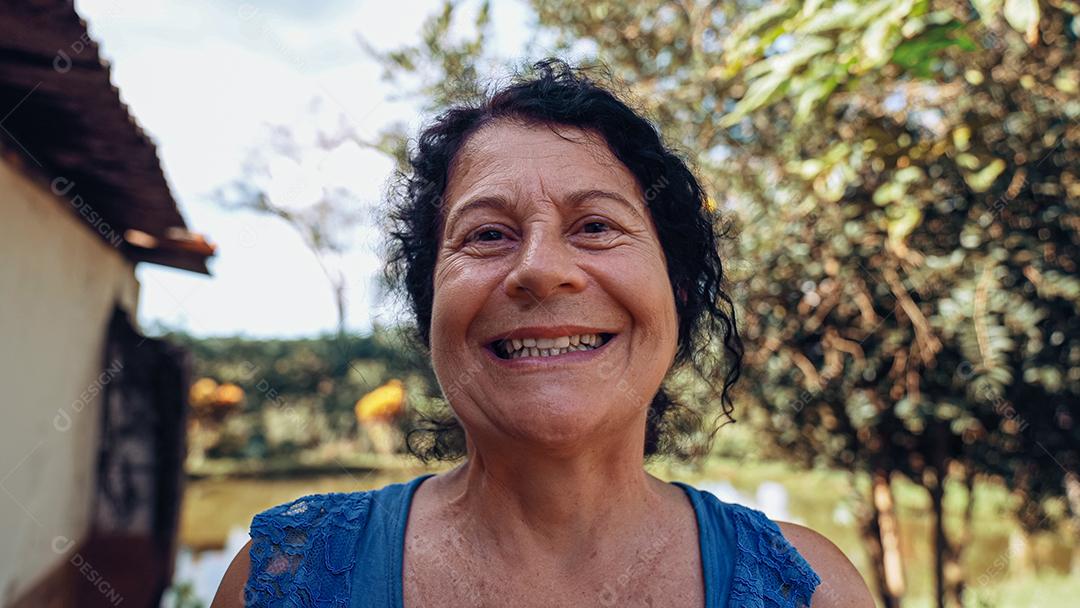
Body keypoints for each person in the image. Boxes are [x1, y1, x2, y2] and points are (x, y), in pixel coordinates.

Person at [212, 59, 874, 608]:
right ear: (432, 303)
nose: (540, 270)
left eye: (595, 226)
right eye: (488, 235)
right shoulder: (279, 582)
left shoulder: (814, 591)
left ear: (674, 290)